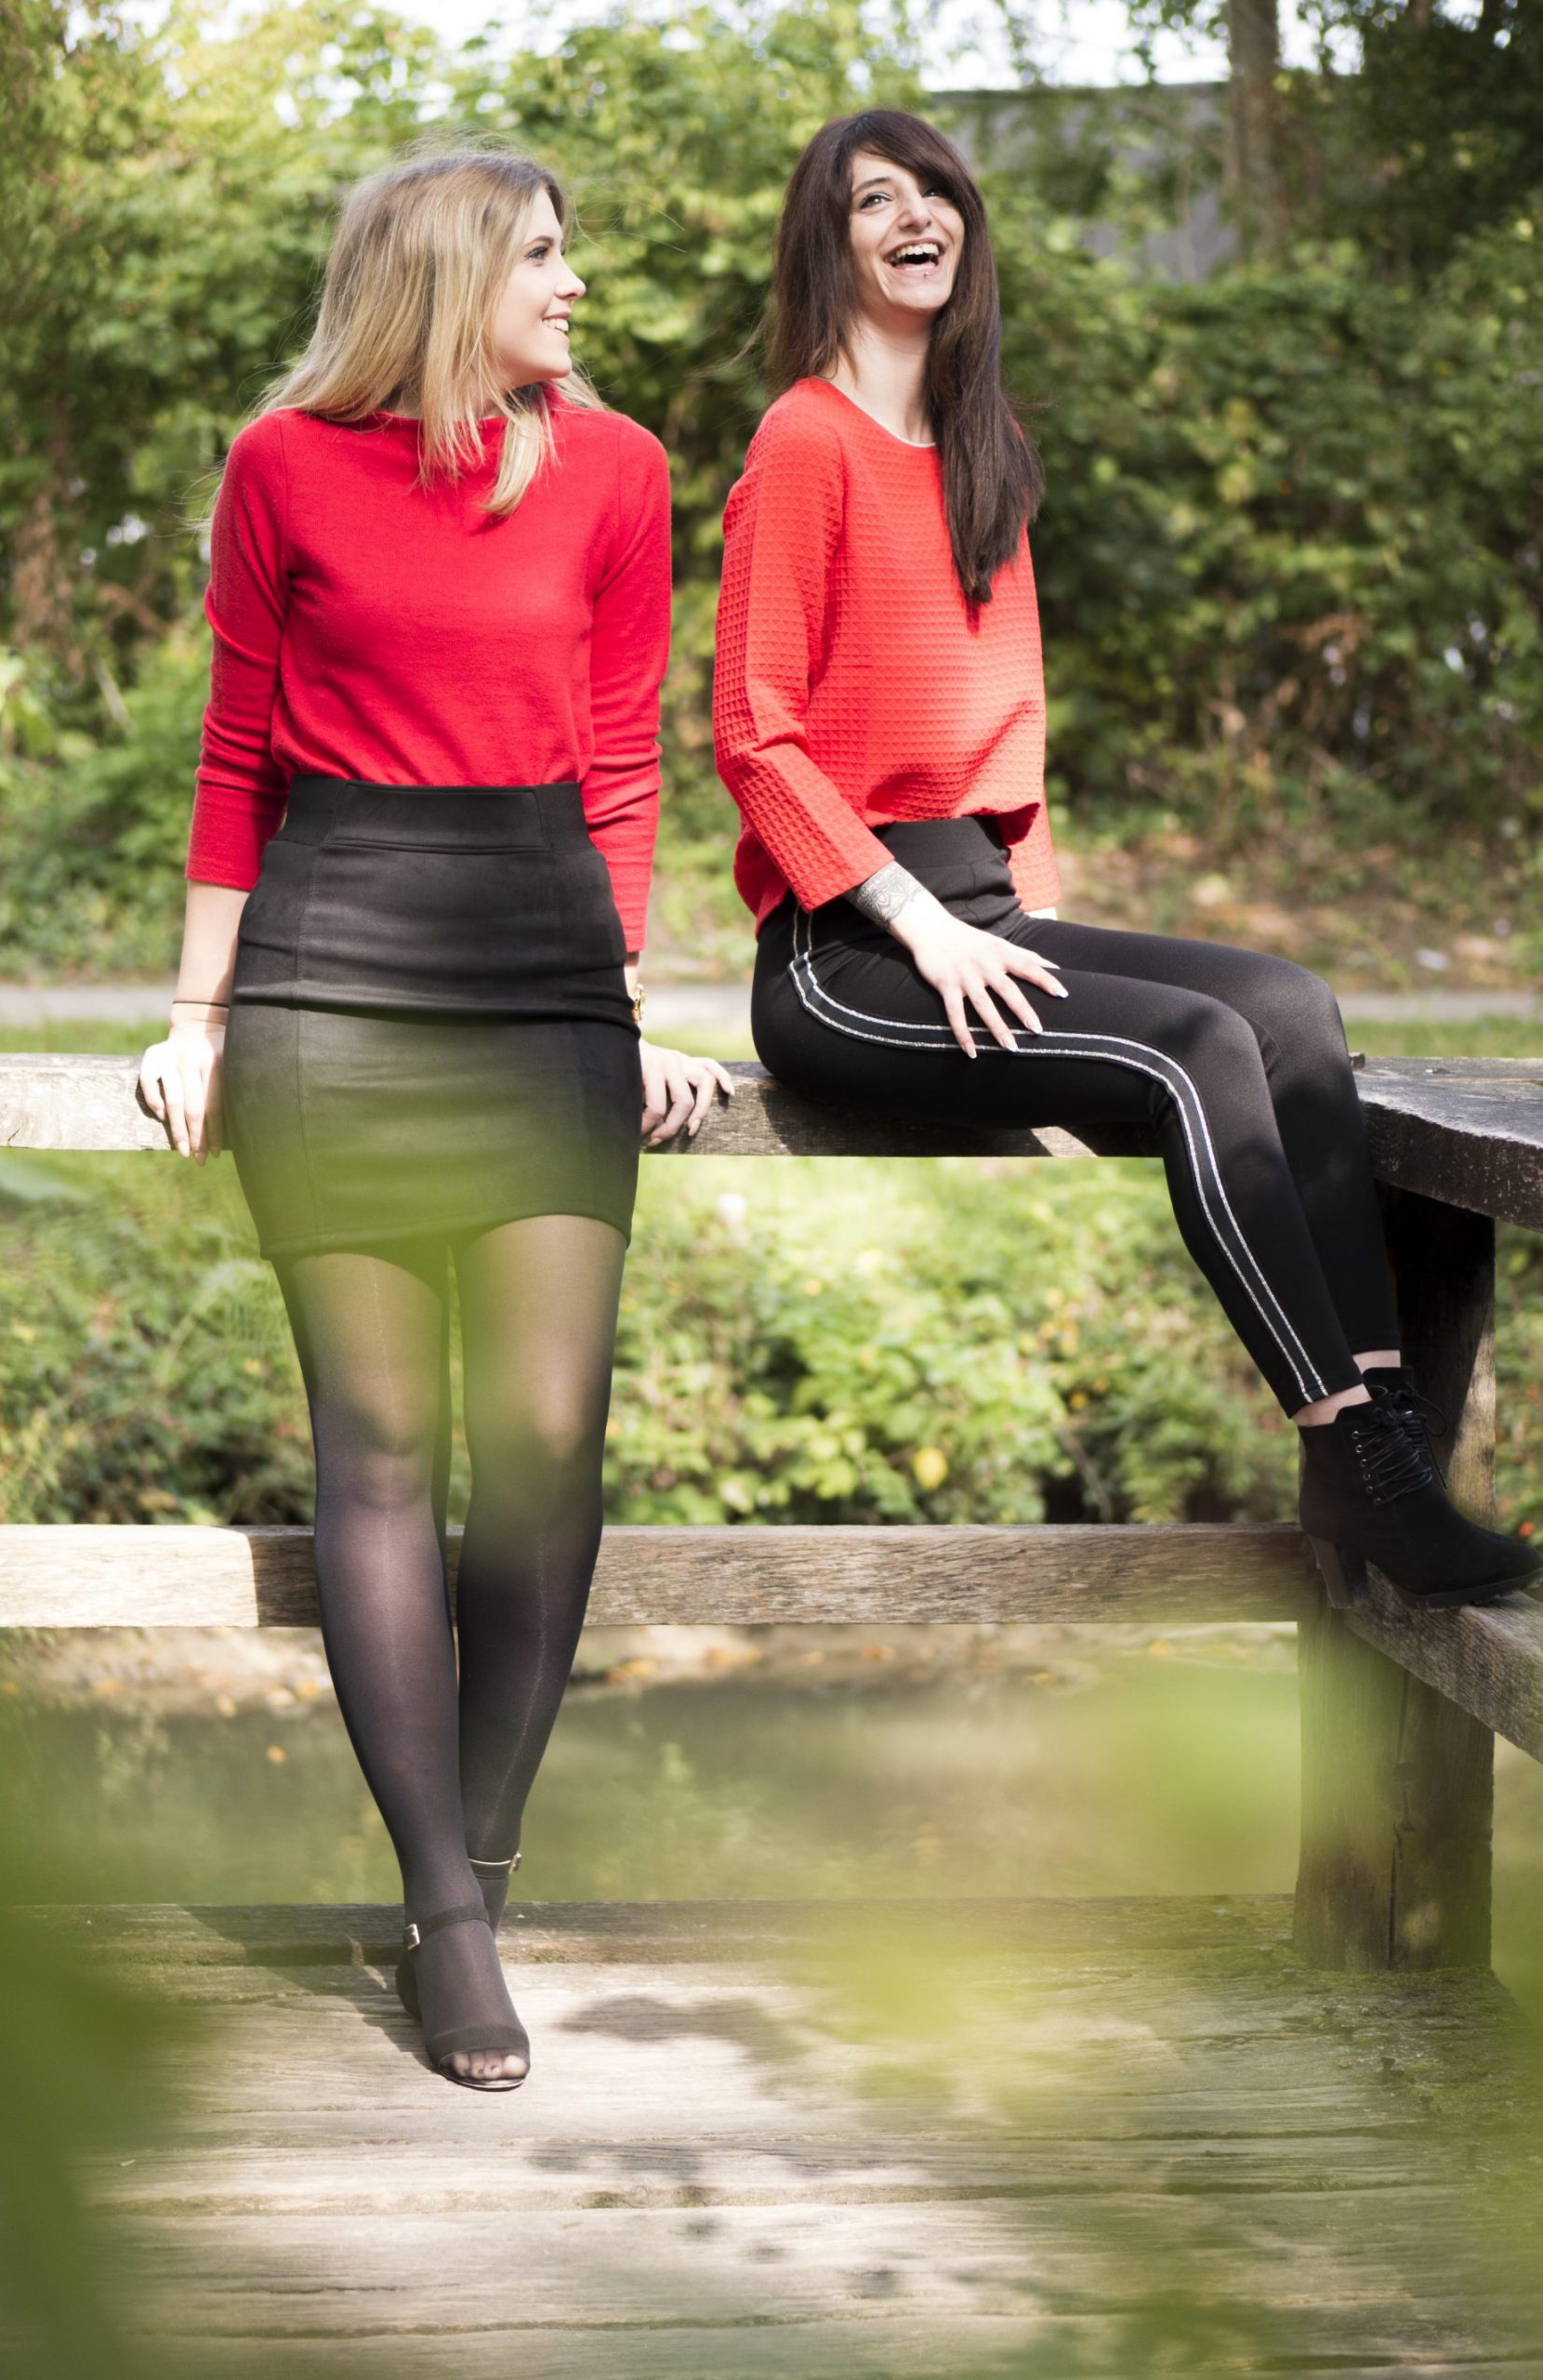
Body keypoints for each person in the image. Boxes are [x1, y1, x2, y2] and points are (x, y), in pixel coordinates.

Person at [714, 106, 1537, 1614]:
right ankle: (1360, 1461)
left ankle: (1390, 1440)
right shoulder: (803, 440)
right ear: (826, 243)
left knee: (1288, 1006)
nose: (917, 214)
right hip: (850, 952)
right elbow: (754, 735)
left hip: (980, 909)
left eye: (937, 191)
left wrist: (1040, 924)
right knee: (1193, 1051)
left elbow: (1012, 717)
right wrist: (925, 928)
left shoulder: (986, 449)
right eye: (875, 198)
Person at [138, 147, 732, 2091]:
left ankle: (477, 1856)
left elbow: (622, 751)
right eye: (545, 253)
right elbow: (236, 752)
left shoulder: (618, 468)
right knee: (380, 1449)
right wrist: (198, 1013)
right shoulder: (281, 464)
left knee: (548, 1443)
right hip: (331, 972)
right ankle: (447, 1915)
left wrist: (632, 995)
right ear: (451, 271)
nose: (574, 282)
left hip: (545, 970)